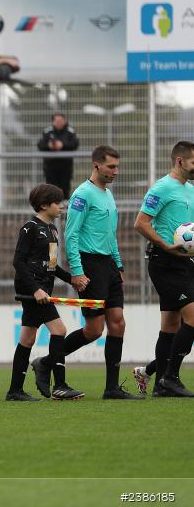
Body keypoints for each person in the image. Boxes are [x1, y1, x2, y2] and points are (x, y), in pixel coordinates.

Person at [56, 146, 141, 400]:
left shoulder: (108, 195)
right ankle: (49, 361)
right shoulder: (82, 194)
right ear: (96, 166)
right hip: (90, 264)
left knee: (118, 322)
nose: (116, 171)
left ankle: (111, 388)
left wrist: (118, 265)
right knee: (94, 330)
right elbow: (71, 235)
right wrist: (78, 271)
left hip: (109, 266)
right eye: (111, 167)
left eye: (117, 166)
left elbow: (110, 234)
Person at [8, 184, 85, 401]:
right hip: (32, 290)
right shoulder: (30, 227)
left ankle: (15, 391)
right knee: (59, 330)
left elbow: (52, 265)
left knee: (27, 338)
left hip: (42, 290)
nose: (61, 206)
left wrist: (72, 280)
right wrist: (35, 290)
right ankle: (59, 385)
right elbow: (18, 262)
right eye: (57, 203)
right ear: (44, 205)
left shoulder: (52, 230)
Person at [132, 141, 194, 397]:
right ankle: (170, 377)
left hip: (184, 262)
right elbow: (140, 223)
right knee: (192, 318)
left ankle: (158, 383)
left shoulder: (190, 189)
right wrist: (165, 244)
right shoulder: (161, 188)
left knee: (170, 325)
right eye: (193, 161)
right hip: (164, 262)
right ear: (180, 161)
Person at [37, 112, 79, 200]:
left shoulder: (70, 131)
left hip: (66, 167)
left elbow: (75, 144)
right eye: (57, 121)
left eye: (61, 120)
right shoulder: (47, 131)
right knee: (51, 191)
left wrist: (63, 145)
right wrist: (49, 146)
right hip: (50, 167)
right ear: (53, 122)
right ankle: (52, 211)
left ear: (64, 121)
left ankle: (64, 212)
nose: (59, 123)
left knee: (65, 190)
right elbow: (40, 145)